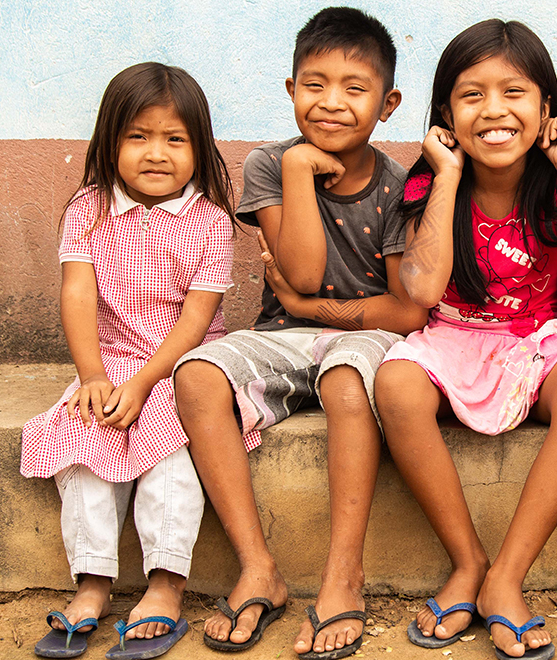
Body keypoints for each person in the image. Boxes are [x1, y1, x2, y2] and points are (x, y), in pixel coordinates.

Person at [171, 7, 423, 659]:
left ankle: (343, 576)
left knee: (345, 379)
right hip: (282, 336)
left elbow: (399, 312)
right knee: (196, 374)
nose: (331, 103)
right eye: (314, 85)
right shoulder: (268, 164)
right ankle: (259, 567)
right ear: (290, 90)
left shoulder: (399, 188)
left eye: (354, 88)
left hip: (363, 341)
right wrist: (297, 171)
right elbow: (304, 275)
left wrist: (333, 312)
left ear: (388, 104)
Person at [372, 19, 557, 660]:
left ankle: (507, 576)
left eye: (514, 93)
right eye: (471, 94)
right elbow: (422, 292)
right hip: (453, 336)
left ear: (547, 109)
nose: (495, 110)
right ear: (446, 113)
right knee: (395, 383)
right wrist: (446, 174)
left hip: (538, 340)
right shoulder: (428, 184)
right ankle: (467, 561)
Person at [20, 62, 237, 659]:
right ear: (109, 140)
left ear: (199, 147)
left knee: (169, 448)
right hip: (109, 360)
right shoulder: (88, 211)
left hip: (182, 364)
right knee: (84, 436)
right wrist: (92, 374)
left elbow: (195, 320)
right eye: (137, 136)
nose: (156, 153)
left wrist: (146, 381)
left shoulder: (210, 223)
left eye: (175, 139)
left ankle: (167, 585)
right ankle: (93, 583)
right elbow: (78, 294)